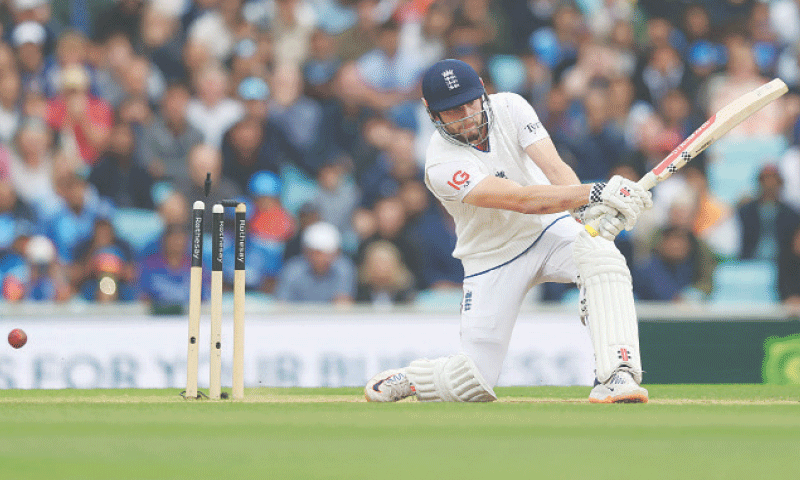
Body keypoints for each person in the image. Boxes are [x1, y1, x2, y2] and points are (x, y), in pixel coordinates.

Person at [364, 59, 653, 404]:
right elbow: (521, 199)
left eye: (471, 102)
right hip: (491, 257)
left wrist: (586, 212)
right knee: (473, 382)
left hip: (548, 231)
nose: (468, 114)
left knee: (601, 255)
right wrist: (595, 191)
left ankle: (617, 375)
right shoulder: (440, 164)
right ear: (430, 111)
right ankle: (415, 378)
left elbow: (554, 167)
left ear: (483, 90)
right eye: (454, 111)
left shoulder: (511, 106)